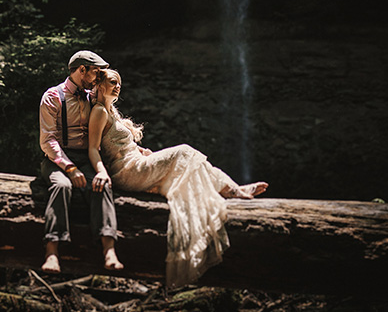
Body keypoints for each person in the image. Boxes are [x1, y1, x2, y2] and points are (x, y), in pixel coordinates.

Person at [88, 68, 267, 288]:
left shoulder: (110, 111)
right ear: (99, 84)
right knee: (184, 152)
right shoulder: (99, 112)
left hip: (135, 163)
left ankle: (233, 188)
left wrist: (140, 150)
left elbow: (118, 144)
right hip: (126, 171)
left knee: (188, 163)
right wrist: (101, 172)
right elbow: (93, 148)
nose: (118, 86)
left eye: (119, 83)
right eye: (113, 82)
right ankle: (232, 189)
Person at [39, 50, 124, 273]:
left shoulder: (93, 97)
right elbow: (47, 141)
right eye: (96, 72)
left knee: (102, 184)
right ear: (82, 70)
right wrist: (70, 168)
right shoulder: (53, 96)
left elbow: (108, 127)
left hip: (86, 158)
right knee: (61, 185)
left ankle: (109, 250)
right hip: (56, 159)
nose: (98, 78)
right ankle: (52, 252)